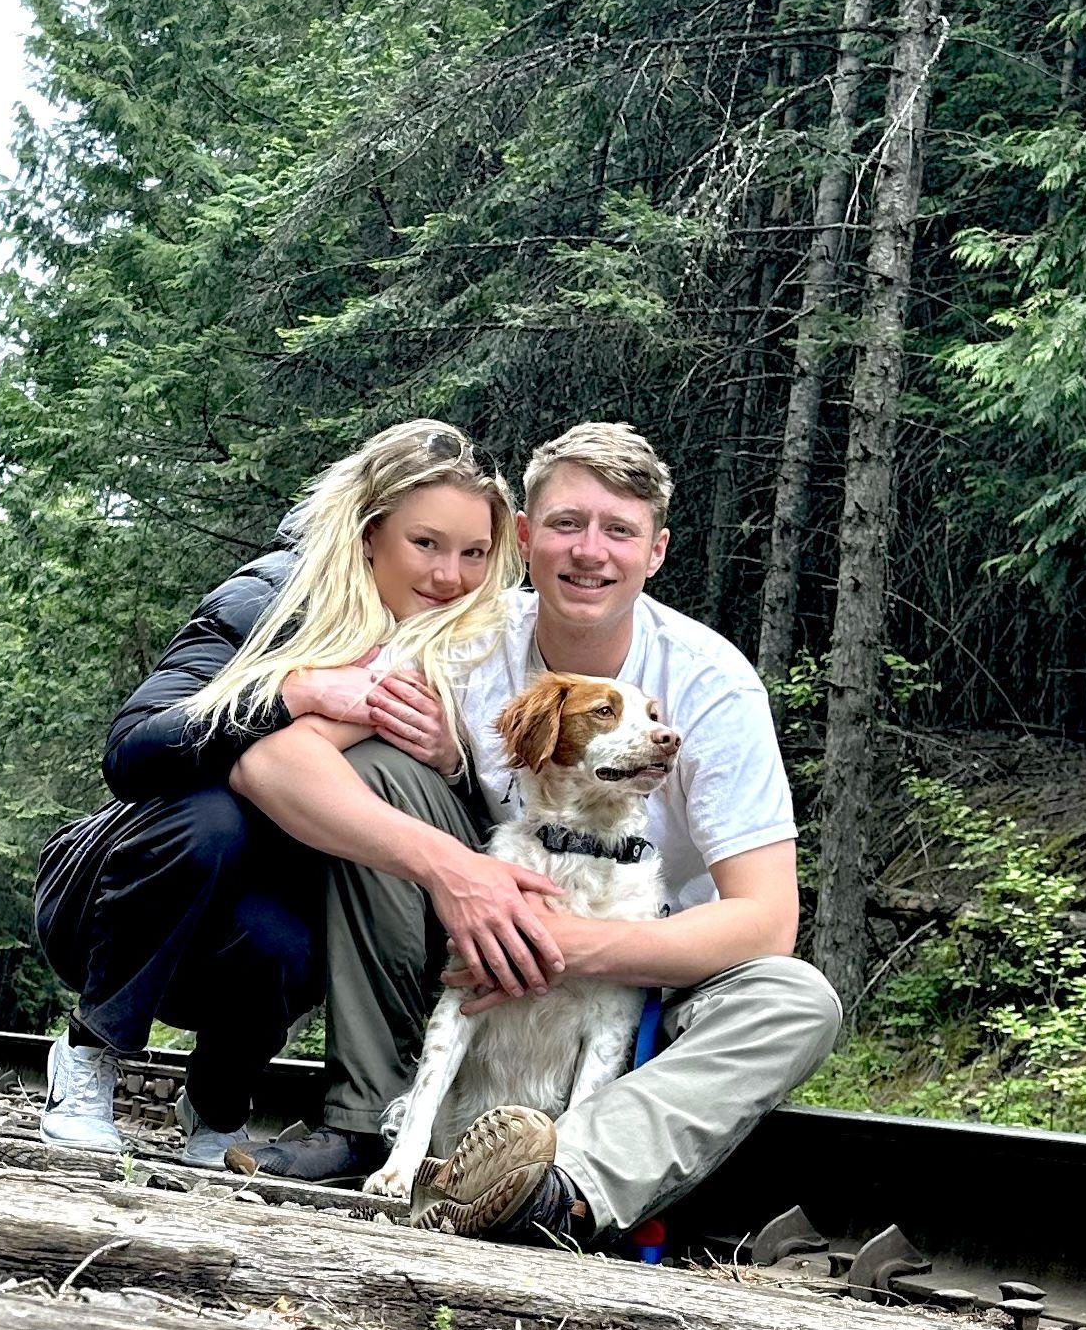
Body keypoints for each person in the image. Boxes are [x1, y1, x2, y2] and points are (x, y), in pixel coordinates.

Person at [226, 418, 843, 1242]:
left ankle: (557, 1187)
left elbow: (766, 922)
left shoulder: (711, 685)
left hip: (647, 975)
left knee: (797, 999)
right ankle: (372, 1125)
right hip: (472, 961)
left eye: (619, 530)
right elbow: (273, 765)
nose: (590, 551)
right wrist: (452, 871)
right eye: (566, 523)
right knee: (380, 771)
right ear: (523, 538)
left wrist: (567, 945)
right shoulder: (463, 642)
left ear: (655, 552)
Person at [31, 421, 544, 1170]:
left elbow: (496, 822)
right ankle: (88, 1053)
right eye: (425, 544)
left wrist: (452, 761)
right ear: (369, 535)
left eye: (474, 553)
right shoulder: (272, 594)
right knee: (213, 818)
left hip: (252, 930)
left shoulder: (475, 648)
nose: (449, 576)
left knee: (290, 931)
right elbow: (133, 751)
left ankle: (218, 1103)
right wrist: (293, 692)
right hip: (117, 895)